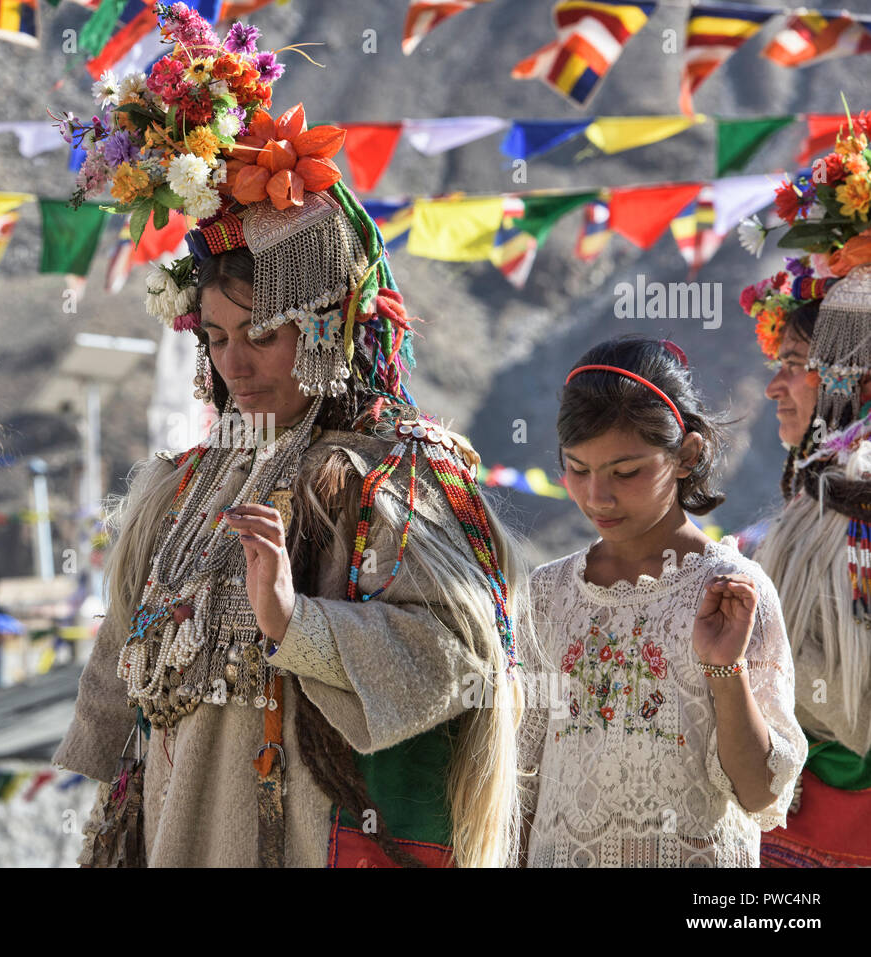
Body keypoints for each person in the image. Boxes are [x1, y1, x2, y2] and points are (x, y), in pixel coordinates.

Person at [52, 10, 532, 868]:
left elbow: (462, 657)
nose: (234, 362)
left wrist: (296, 622)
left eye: (260, 334)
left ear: (324, 327)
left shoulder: (398, 478)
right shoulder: (181, 487)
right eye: (216, 336)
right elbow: (123, 688)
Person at [519, 336, 804, 867]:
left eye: (625, 472)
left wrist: (726, 669)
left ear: (686, 456)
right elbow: (521, 778)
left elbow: (760, 793)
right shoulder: (547, 594)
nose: (596, 496)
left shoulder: (733, 594)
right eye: (578, 469)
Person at [745, 110, 871, 866]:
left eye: (797, 359)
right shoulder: (820, 500)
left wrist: (744, 660)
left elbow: (857, 713)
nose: (776, 386)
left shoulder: (854, 509)